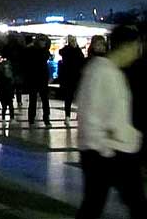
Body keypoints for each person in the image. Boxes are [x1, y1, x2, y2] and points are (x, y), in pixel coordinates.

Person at [74, 25, 145, 219]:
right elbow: (90, 114)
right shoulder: (101, 72)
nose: (138, 52)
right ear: (126, 47)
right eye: (136, 47)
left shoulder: (110, 71)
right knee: (98, 204)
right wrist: (104, 148)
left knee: (96, 204)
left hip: (112, 150)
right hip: (107, 153)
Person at [24, 35, 52, 126]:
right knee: (36, 99)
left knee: (42, 99)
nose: (42, 43)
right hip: (36, 77)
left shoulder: (40, 51)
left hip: (40, 77)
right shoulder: (39, 51)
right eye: (41, 41)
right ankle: (33, 118)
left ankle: (44, 118)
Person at [58, 35, 86, 125]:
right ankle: (68, 116)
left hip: (75, 77)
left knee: (74, 97)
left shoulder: (77, 51)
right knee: (69, 97)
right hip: (70, 78)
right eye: (72, 40)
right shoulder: (68, 50)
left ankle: (72, 115)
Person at [0, 57, 17, 122]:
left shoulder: (2, 75)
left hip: (4, 92)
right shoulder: (9, 76)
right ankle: (10, 118)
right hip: (7, 91)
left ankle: (4, 118)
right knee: (9, 106)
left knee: (6, 106)